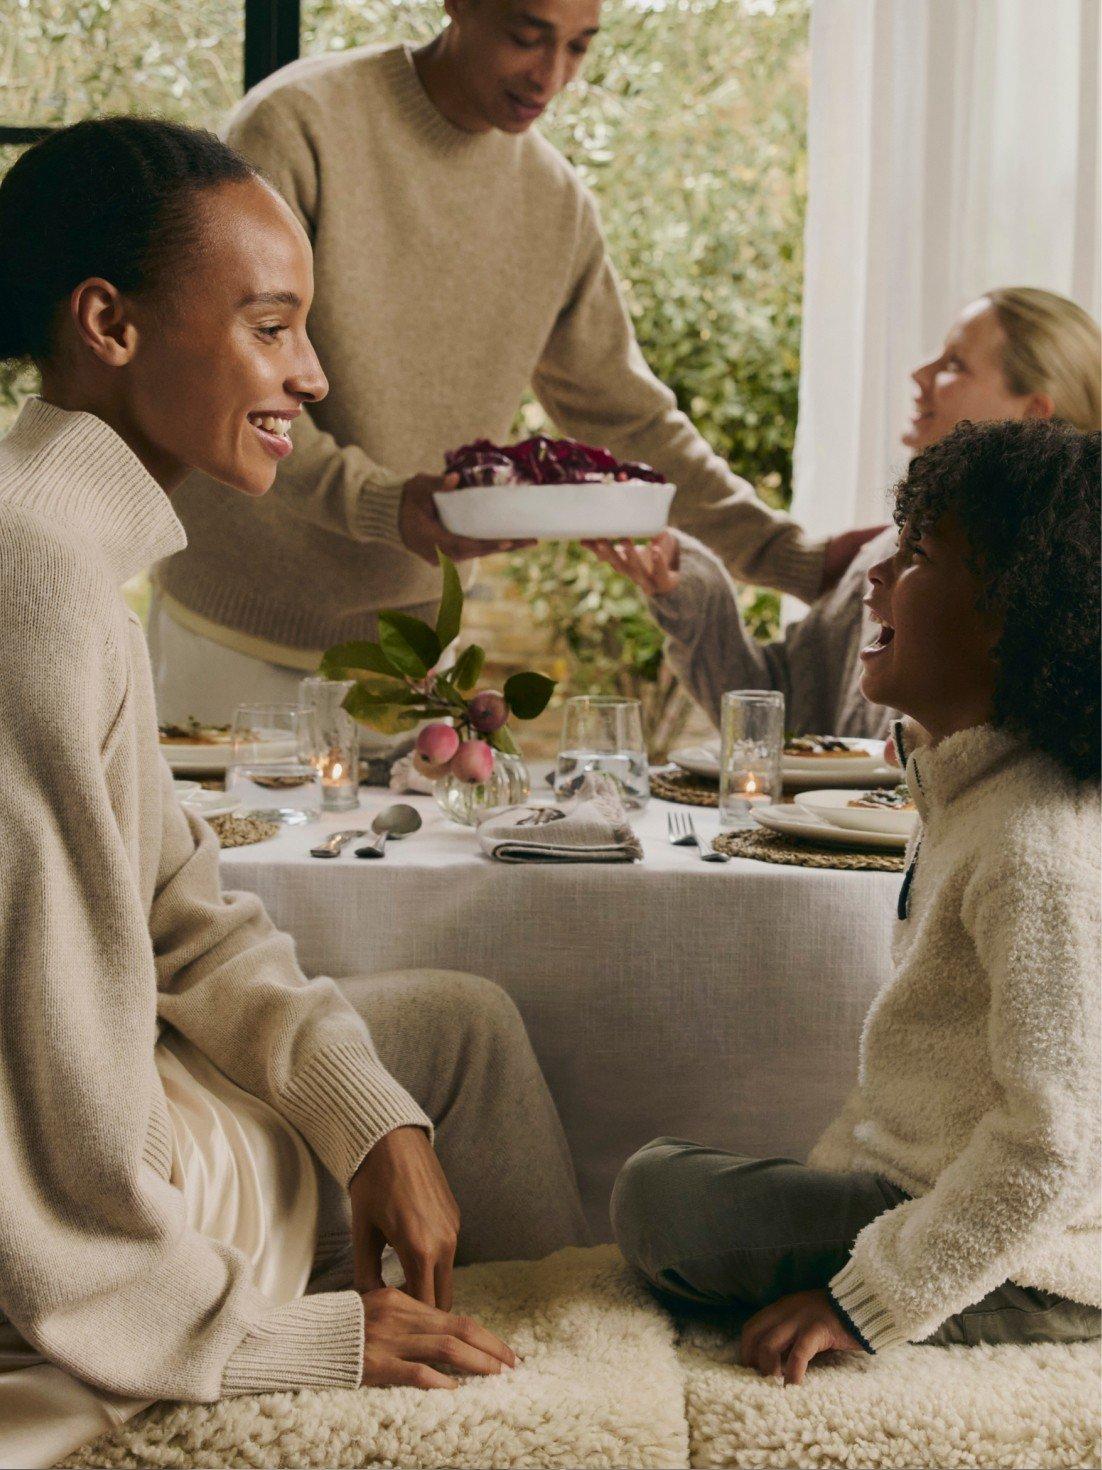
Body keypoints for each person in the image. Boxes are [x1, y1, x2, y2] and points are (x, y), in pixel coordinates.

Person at [0, 117, 587, 1469]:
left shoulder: (62, 543)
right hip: (93, 1215)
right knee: (460, 1049)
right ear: (109, 322)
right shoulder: (36, 586)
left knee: (453, 1036)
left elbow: (179, 914)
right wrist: (281, 1341)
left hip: (123, 1118)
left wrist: (363, 1114)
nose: (311, 377)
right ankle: (548, 1423)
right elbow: (33, 1071)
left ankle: (553, 1383)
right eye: (269, 328)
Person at [147, 0, 881, 726]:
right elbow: (227, 380)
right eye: (527, 37)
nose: (550, 76)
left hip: (416, 658)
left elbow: (630, 419)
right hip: (233, 635)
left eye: (579, 48)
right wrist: (389, 505)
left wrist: (792, 559)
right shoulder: (296, 125)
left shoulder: (555, 202)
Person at [611, 418, 1101, 1382]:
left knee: (656, 1197)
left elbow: (1060, 1145)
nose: (878, 572)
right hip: (924, 1195)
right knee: (681, 1183)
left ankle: (995, 1298)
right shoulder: (973, 790)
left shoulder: (1034, 847)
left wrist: (869, 1299)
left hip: (1034, 1262)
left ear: (1012, 612)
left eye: (916, 556)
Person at [595, 288, 1101, 738]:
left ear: (1034, 415)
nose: (919, 373)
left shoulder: (1061, 584)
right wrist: (691, 588)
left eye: (954, 365)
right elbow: (782, 704)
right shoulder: (884, 551)